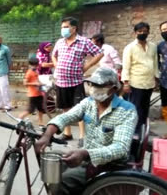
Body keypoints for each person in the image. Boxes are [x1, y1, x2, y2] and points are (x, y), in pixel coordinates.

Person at [35, 67, 137, 195]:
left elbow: (120, 148)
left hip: (109, 165)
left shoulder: (126, 110)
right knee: (54, 160)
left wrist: (84, 153)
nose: (93, 88)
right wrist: (47, 135)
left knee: (61, 182)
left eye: (99, 85)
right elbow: (65, 117)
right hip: (87, 158)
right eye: (91, 84)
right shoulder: (88, 103)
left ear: (113, 88)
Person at [51, 17, 103, 147]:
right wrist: (57, 65)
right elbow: (53, 55)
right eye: (62, 27)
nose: (63, 30)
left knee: (79, 109)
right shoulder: (60, 42)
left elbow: (99, 53)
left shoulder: (84, 42)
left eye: (65, 27)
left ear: (74, 29)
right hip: (61, 82)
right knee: (65, 108)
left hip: (75, 82)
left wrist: (87, 66)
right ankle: (67, 133)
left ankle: (82, 136)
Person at [122, 22, 159, 134]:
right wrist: (126, 83)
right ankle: (135, 131)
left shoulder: (152, 46)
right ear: (135, 33)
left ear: (148, 32)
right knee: (136, 108)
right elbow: (126, 66)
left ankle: (144, 129)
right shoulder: (129, 47)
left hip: (149, 82)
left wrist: (156, 78)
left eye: (145, 31)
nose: (142, 33)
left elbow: (155, 63)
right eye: (140, 31)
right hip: (136, 82)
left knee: (145, 107)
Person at [19, 57, 45, 126]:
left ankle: (40, 121)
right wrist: (35, 84)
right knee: (31, 109)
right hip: (32, 94)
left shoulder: (35, 71)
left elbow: (37, 79)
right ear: (31, 65)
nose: (35, 66)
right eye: (34, 65)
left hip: (39, 93)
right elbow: (25, 83)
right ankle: (20, 117)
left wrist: (41, 83)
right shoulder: (29, 73)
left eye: (36, 65)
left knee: (41, 109)